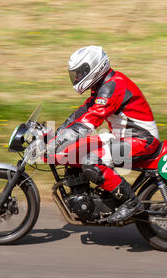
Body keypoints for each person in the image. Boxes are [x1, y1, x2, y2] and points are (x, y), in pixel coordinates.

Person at [48, 46, 160, 223]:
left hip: (140, 140)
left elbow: (92, 119)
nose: (77, 77)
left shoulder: (112, 86)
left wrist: (61, 139)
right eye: (75, 74)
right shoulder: (103, 85)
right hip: (124, 136)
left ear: (93, 68)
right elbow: (82, 112)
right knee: (77, 150)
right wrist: (57, 134)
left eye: (80, 72)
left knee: (91, 161)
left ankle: (131, 203)